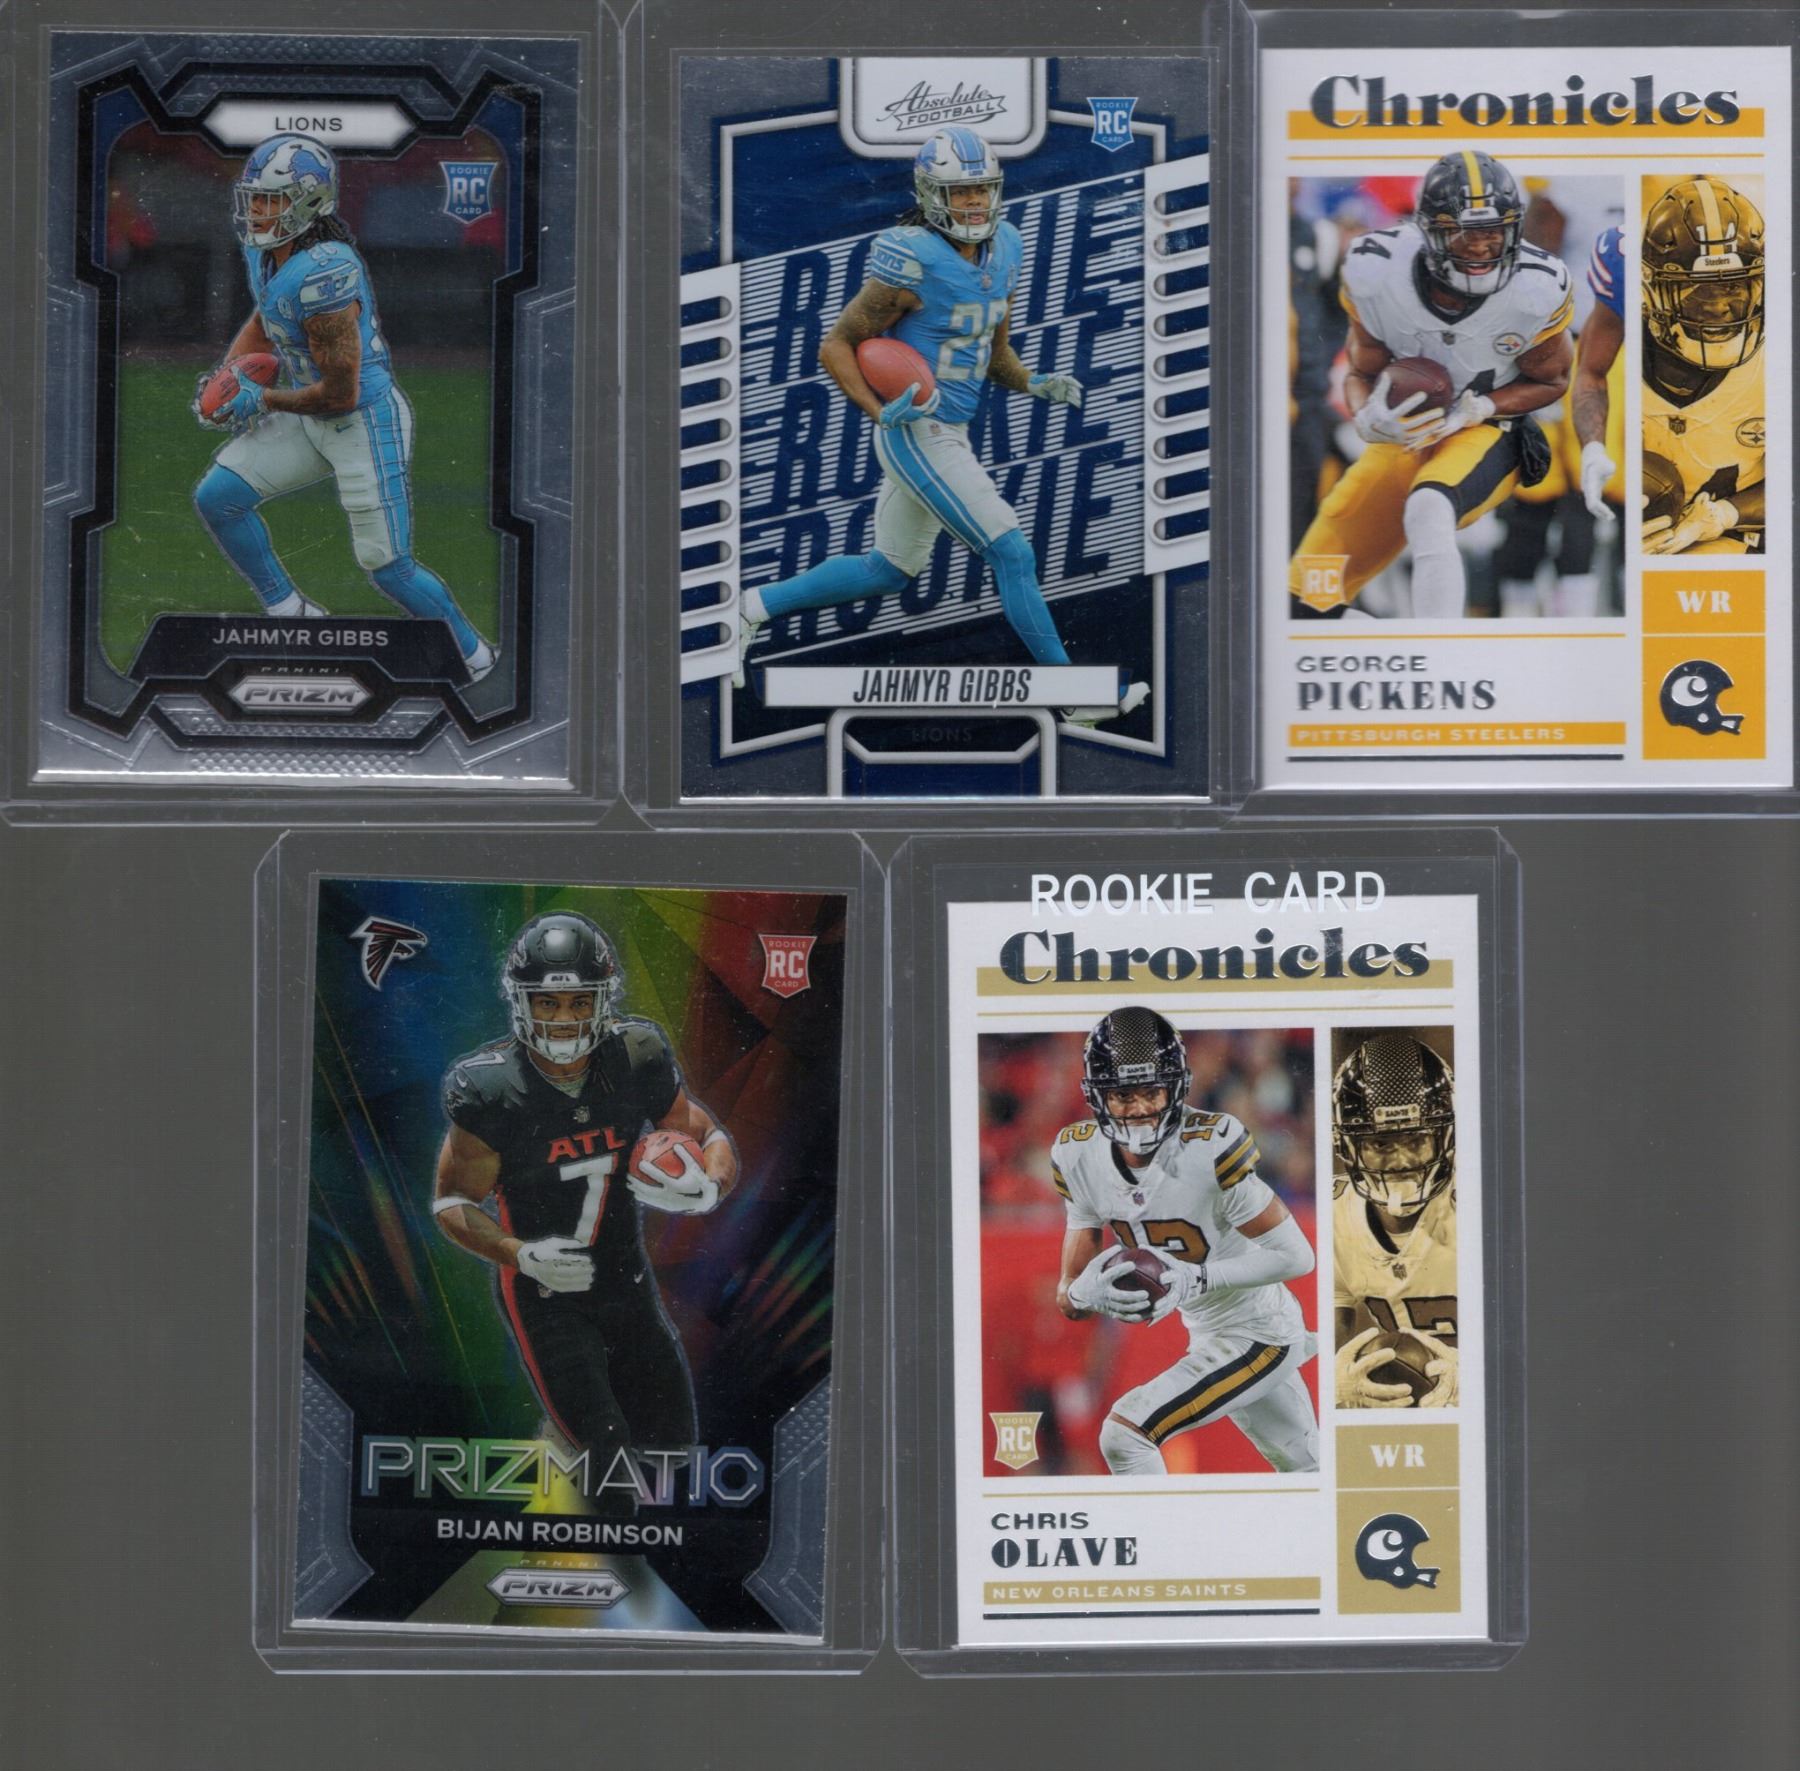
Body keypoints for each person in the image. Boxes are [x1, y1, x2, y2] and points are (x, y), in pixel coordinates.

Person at [734, 127, 1144, 725]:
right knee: (1012, 552)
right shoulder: (913, 258)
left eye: (981, 188)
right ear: (932, 195)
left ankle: (748, 608)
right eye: (959, 191)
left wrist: (1033, 382)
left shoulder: (1007, 245)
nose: (974, 202)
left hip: (951, 430)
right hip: (917, 431)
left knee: (886, 571)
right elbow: (836, 345)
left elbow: (992, 349)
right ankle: (1072, 695)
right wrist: (881, 412)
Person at [431, 912, 737, 1497]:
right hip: (547, 1298)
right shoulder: (490, 1088)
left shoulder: (637, 1053)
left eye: (579, 1001)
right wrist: (518, 1254)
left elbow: (709, 1135)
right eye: (547, 1003)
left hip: (627, 1286)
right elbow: (451, 1202)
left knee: (675, 1451)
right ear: (521, 1002)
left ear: (603, 1000)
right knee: (606, 1452)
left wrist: (710, 1188)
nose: (564, 1018)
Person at [191, 134, 497, 679]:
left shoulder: (327, 271)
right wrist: (228, 376)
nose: (257, 210)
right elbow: (265, 317)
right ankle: (291, 613)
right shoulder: (265, 251)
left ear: (308, 203)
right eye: (253, 198)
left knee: (388, 567)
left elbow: (340, 395)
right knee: (218, 498)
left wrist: (261, 398)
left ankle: (477, 661)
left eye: (271, 200)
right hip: (311, 416)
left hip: (362, 422)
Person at [1289, 150, 1573, 618]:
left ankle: (1439, 645)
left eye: (1494, 232)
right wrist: (1368, 414)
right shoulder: (1376, 270)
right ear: (1429, 232)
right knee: (1306, 599)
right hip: (1407, 435)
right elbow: (1361, 371)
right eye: (1465, 233)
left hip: (1488, 431)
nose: (1481, 247)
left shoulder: (1536, 287)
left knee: (1429, 509)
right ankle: (1389, 643)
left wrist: (1482, 407)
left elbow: (1554, 379)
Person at [1052, 1007, 1319, 1474]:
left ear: (1175, 1088)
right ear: (1097, 1095)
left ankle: (1160, 1528)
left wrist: (1196, 1278)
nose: (1139, 1108)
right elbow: (1069, 1298)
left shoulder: (1210, 1147)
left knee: (1125, 1435)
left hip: (1260, 1332)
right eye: (1123, 1094)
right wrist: (1084, 1293)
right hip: (1211, 1332)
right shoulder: (1078, 1156)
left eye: (1151, 1091)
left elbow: (1297, 1257)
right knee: (1306, 1471)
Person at [1573, 179, 1766, 556]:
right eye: (1698, 289)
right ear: (1648, 286)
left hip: (1737, 524)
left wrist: (1723, 516)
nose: (1718, 307)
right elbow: (1592, 371)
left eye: (1733, 287)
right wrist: (1593, 449)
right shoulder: (1624, 271)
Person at [1331, 1034, 1458, 1410]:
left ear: (1443, 1136)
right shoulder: (1336, 1215)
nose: (1401, 1161)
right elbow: (1327, 1344)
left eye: (1416, 1140)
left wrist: (1484, 1375)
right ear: (1349, 1146)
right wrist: (1335, 1383)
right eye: (1382, 1144)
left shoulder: (1487, 1205)